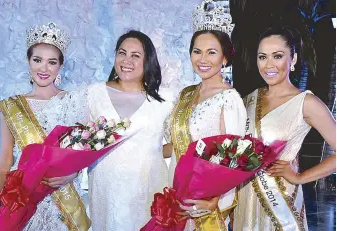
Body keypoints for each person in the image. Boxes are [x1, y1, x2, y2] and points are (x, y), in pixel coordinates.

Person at [233, 25, 336, 231]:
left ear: (293, 60)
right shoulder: (248, 100)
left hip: (281, 202)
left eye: (277, 56)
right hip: (245, 199)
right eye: (263, 57)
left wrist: (300, 177)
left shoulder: (306, 102)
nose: (269, 65)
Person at [0, 22, 90, 230]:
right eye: (37, 60)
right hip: (23, 197)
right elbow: (5, 159)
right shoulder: (11, 106)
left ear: (60, 66)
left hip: (62, 197)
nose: (44, 68)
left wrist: (73, 174)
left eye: (52, 62)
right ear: (28, 61)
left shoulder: (74, 102)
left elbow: (83, 151)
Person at [164, 1, 247, 229]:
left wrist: (214, 200)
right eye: (197, 51)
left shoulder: (230, 99)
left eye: (212, 52)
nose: (203, 59)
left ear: (225, 58)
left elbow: (233, 158)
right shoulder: (186, 94)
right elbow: (177, 145)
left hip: (207, 202)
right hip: (177, 192)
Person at [86, 30, 175, 230]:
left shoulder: (166, 99)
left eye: (136, 55)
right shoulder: (94, 93)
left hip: (147, 190)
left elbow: (176, 143)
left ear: (148, 61)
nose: (127, 60)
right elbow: (81, 142)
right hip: (105, 190)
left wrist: (149, 152)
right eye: (122, 53)